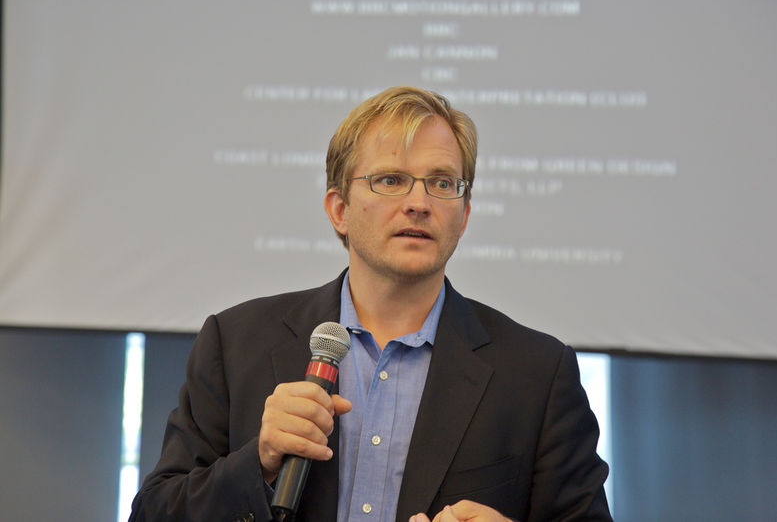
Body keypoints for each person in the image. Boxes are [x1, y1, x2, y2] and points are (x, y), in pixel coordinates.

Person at [129, 86, 611, 521]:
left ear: (463, 216)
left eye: (443, 183)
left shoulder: (537, 374)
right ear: (339, 210)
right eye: (391, 180)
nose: (419, 202)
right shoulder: (236, 344)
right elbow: (154, 512)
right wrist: (258, 463)